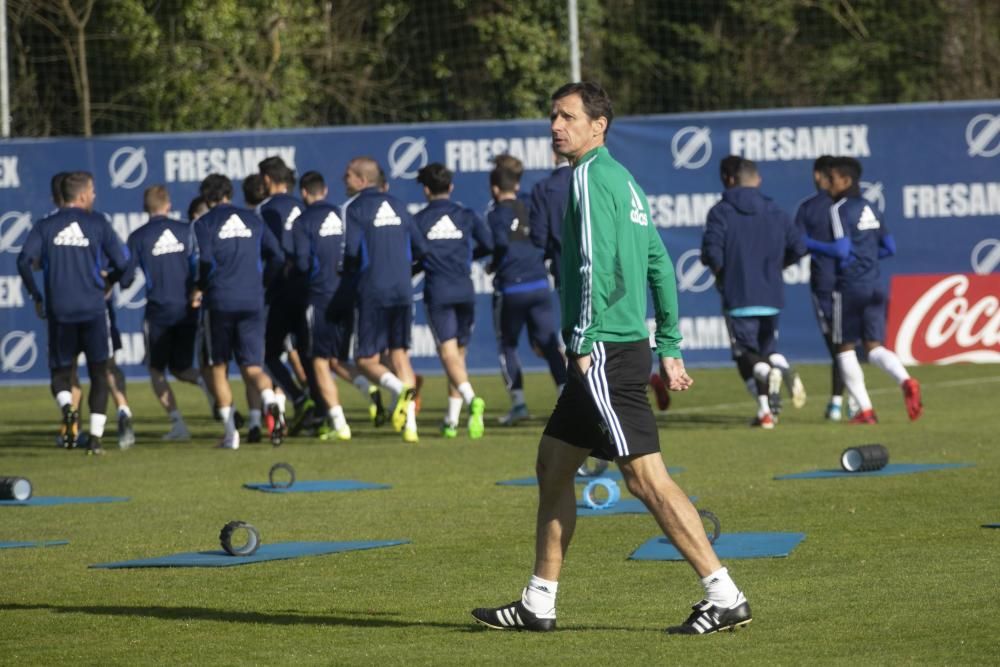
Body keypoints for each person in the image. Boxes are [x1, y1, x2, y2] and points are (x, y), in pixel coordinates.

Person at [472, 81, 751, 635]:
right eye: (553, 116)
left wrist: (582, 341)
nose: (556, 126)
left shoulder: (590, 176)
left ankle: (724, 594)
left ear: (598, 125)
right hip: (614, 347)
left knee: (645, 478)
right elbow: (660, 264)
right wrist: (668, 345)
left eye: (568, 117)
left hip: (601, 348)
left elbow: (595, 268)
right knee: (552, 465)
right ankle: (538, 603)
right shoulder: (624, 181)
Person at [17, 171, 132, 455]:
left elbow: (23, 261)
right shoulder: (97, 223)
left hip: (60, 312)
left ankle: (68, 408)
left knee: (60, 374)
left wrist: (36, 295)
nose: (94, 196)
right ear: (81, 195)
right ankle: (95, 439)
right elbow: (123, 262)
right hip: (93, 310)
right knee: (99, 373)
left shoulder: (45, 226)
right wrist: (110, 281)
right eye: (92, 191)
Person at [804, 157, 922, 423]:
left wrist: (809, 243)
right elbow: (889, 248)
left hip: (849, 288)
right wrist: (866, 258)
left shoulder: (839, 209)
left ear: (846, 181)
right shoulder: (871, 206)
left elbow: (841, 250)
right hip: (875, 285)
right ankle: (906, 380)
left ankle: (865, 410)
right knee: (874, 347)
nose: (828, 185)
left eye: (832, 179)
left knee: (844, 349)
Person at [701, 156, 807, 429]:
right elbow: (798, 246)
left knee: (745, 352)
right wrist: (776, 267)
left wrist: (723, 274)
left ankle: (768, 374)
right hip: (771, 296)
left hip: (738, 295)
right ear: (756, 180)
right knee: (767, 349)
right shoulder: (776, 210)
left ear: (730, 179)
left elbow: (712, 251)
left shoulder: (721, 211)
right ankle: (767, 410)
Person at [192, 173, 286, 449]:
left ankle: (231, 434)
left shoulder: (204, 222)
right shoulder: (254, 219)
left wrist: (200, 285)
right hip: (253, 300)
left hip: (220, 301)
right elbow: (278, 256)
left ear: (208, 198)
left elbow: (206, 261)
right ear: (229, 194)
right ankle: (271, 401)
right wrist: (262, 283)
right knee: (253, 367)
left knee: (217, 367)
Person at [343, 157, 426, 443]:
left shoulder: (355, 209)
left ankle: (398, 391)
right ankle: (411, 425)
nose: (344, 181)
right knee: (400, 355)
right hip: (402, 291)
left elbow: (352, 254)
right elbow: (421, 249)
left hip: (373, 290)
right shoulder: (400, 206)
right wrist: (403, 272)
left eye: (348, 176)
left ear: (362, 181)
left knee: (365, 360)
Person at [413, 162, 492, 438]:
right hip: (464, 290)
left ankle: (472, 400)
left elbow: (416, 256)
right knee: (458, 356)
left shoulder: (420, 220)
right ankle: (452, 419)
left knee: (448, 354)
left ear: (425, 190)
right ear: (451, 187)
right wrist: (466, 257)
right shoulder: (465, 215)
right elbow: (491, 244)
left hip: (439, 292)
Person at [486, 156, 568, 426]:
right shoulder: (529, 204)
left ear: (495, 189)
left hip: (511, 286)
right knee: (549, 344)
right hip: (539, 283)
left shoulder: (495, 212)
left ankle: (519, 403)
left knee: (507, 345)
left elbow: (499, 244)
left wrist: (493, 265)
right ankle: (566, 399)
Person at [124, 185, 206, 440]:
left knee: (157, 369)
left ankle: (178, 424)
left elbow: (127, 278)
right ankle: (212, 391)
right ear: (168, 205)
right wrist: (197, 289)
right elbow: (199, 267)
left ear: (145, 208)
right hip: (187, 309)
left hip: (159, 311)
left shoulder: (138, 237)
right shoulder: (185, 230)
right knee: (182, 368)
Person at [291, 170, 353, 441]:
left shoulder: (303, 221)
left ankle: (339, 423)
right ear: (325, 190)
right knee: (339, 359)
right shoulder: (343, 215)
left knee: (318, 360)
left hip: (319, 296)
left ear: (304, 192)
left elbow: (303, 263)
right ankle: (370, 390)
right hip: (346, 294)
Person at [258, 156, 313, 431]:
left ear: (268, 179)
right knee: (305, 352)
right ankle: (319, 410)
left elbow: (273, 255)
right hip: (305, 287)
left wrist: (265, 285)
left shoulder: (265, 209)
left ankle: (300, 398)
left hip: (280, 289)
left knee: (269, 354)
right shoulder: (302, 205)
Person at [795, 155, 849, 420]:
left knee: (838, 346)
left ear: (819, 175)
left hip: (826, 285)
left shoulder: (809, 207)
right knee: (846, 345)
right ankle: (846, 401)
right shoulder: (853, 206)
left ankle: (841, 403)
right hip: (855, 282)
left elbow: (798, 245)